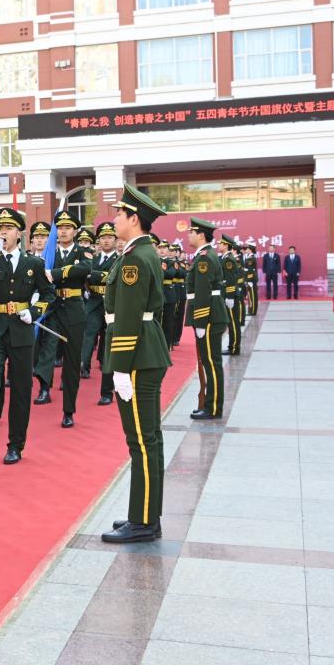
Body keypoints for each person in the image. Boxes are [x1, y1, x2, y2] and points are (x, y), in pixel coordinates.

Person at [100, 185, 171, 544]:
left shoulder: (134, 259)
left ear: (134, 219)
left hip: (137, 354)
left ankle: (143, 521)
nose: (113, 219)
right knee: (148, 439)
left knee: (141, 441)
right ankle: (144, 514)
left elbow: (127, 317)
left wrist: (120, 367)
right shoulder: (142, 252)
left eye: (119, 214)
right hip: (145, 350)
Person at [0, 208, 55, 464]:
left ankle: (16, 444)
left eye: (8, 229)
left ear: (19, 233)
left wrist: (34, 311)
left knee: (21, 388)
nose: (4, 233)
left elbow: (49, 293)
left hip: (21, 330)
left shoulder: (34, 264)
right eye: (2, 229)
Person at [32, 210, 92, 428]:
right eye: (60, 228)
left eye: (68, 228)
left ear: (75, 231)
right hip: (54, 308)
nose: (64, 231)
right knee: (47, 350)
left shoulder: (83, 252)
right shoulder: (50, 253)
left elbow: (84, 269)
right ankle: (44, 387)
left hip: (74, 310)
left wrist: (56, 274)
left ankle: (68, 410)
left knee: (72, 361)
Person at [186, 218, 228, 420]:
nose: (188, 235)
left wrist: (201, 322)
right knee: (210, 363)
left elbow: (203, 292)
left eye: (191, 232)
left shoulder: (204, 258)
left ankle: (213, 408)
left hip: (209, 318)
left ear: (201, 235)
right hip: (210, 315)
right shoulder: (204, 255)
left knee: (211, 363)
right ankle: (211, 405)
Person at [81, 222, 118, 405]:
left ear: (115, 240)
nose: (106, 241)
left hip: (112, 304)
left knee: (108, 338)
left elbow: (111, 277)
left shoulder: (120, 259)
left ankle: (105, 365)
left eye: (109, 237)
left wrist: (94, 275)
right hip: (94, 302)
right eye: (103, 238)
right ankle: (84, 364)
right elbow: (85, 275)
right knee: (89, 334)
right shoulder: (93, 258)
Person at [220, 236, 242, 357]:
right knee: (231, 322)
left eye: (221, 244)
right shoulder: (225, 258)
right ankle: (232, 346)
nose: (219, 245)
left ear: (226, 245)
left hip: (230, 295)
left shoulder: (228, 259)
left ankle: (234, 347)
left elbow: (231, 279)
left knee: (233, 323)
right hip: (228, 294)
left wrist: (230, 296)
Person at [243, 244, 259, 316]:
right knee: (250, 296)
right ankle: (250, 310)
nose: (246, 250)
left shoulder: (251, 258)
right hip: (249, 279)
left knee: (252, 296)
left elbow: (250, 270)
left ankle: (252, 311)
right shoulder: (249, 257)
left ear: (250, 250)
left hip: (251, 280)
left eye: (247, 249)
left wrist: (249, 280)